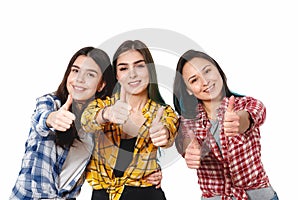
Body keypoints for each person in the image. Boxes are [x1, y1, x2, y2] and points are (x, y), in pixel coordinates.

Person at [9, 46, 116, 199]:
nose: (79, 79)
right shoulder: (50, 103)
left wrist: (149, 172)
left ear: (101, 85)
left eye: (90, 74)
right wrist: (51, 119)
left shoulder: (98, 123)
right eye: (75, 70)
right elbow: (40, 118)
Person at [173, 50, 278, 200]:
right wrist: (188, 150)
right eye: (194, 80)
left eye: (207, 71)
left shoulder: (247, 103)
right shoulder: (187, 121)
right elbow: (183, 141)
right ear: (189, 90)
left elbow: (253, 114)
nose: (205, 82)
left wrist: (239, 121)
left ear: (218, 71)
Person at [81, 40, 179, 200]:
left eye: (139, 66)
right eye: (124, 68)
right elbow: (86, 120)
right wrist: (106, 114)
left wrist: (164, 134)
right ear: (117, 75)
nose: (132, 74)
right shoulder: (103, 105)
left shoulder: (163, 112)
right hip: (103, 195)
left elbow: (170, 128)